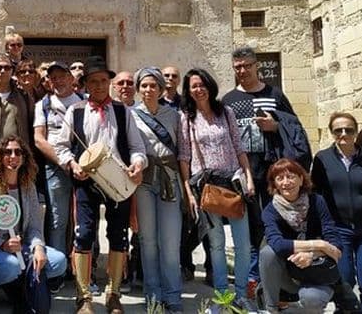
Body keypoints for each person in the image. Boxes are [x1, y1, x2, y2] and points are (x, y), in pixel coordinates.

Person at [54, 55, 147, 314]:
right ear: (84, 84)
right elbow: (61, 147)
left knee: (118, 236)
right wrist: (72, 165)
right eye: (93, 81)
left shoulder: (122, 111)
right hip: (86, 182)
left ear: (109, 82)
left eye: (103, 81)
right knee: (83, 235)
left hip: (118, 182)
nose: (98, 86)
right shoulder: (76, 111)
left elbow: (137, 148)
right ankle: (84, 298)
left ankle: (114, 294)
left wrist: (137, 164)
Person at [222, 46, 306, 297]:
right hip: (242, 175)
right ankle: (251, 280)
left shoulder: (275, 95)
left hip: (274, 174)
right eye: (238, 67)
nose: (243, 71)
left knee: (275, 224)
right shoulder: (228, 100)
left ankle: (278, 278)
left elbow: (294, 128)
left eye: (247, 65)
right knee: (249, 228)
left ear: (256, 65)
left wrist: (276, 125)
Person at [179, 68, 255, 312]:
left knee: (243, 243)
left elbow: (239, 146)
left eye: (201, 84)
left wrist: (249, 178)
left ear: (209, 86)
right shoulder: (186, 119)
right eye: (193, 86)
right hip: (206, 186)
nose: (198, 89)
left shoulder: (226, 112)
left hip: (233, 182)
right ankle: (222, 296)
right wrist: (189, 192)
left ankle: (241, 293)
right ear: (188, 91)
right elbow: (184, 158)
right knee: (216, 243)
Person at [311, 112, 362, 314]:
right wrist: (317, 232)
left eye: (348, 129)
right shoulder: (323, 159)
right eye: (338, 130)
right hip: (339, 230)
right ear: (332, 132)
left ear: (356, 132)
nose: (343, 134)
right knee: (344, 283)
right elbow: (316, 196)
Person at [0, 136, 67, 312]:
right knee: (11, 266)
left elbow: (34, 227)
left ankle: (21, 286)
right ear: (0, 156)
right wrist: (2, 245)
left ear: (24, 157)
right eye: (7, 152)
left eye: (18, 152)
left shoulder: (28, 186)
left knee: (59, 261)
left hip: (22, 248)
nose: (13, 156)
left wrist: (38, 247)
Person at [131, 67, 184, 313]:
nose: (149, 90)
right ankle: (153, 296)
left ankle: (173, 296)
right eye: (144, 86)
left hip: (169, 180)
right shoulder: (131, 115)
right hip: (144, 181)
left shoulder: (174, 115)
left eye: (153, 85)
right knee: (148, 241)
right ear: (138, 89)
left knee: (170, 242)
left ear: (162, 89)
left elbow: (183, 150)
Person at [260, 158, 342, 313]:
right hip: (288, 274)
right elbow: (277, 243)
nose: (286, 182)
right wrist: (320, 245)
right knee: (267, 252)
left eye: (291, 176)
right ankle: (270, 308)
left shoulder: (317, 202)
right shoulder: (270, 210)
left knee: (312, 299)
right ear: (274, 184)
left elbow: (336, 244)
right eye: (280, 178)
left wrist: (312, 254)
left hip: (316, 274)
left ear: (301, 179)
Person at [32, 61, 85, 290]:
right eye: (53, 78)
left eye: (62, 76)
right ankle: (58, 272)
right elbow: (39, 139)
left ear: (71, 78)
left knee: (83, 219)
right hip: (55, 167)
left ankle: (85, 270)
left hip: (84, 166)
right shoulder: (42, 105)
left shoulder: (84, 102)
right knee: (57, 220)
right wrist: (64, 162)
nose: (58, 81)